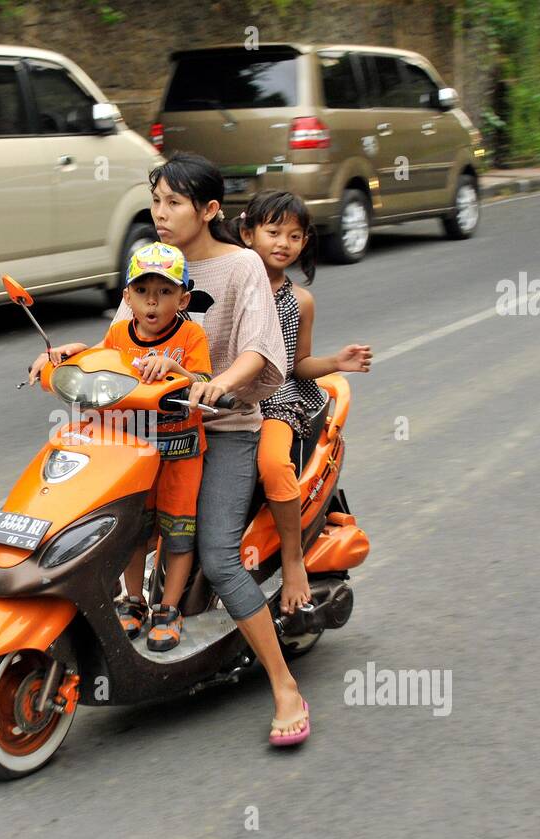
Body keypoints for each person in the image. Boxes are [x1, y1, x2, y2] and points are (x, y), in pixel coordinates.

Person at [32, 152, 309, 746]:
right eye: (155, 200)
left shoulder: (241, 269)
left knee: (218, 550)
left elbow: (264, 351)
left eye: (174, 203)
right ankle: (133, 616)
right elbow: (118, 338)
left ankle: (285, 686)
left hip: (226, 427)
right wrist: (69, 357)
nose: (160, 213)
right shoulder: (150, 265)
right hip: (150, 429)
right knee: (116, 523)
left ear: (209, 211)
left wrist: (220, 384)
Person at [32, 242, 211, 651]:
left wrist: (174, 367)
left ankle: (168, 608)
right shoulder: (117, 333)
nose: (153, 301)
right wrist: (65, 356)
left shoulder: (191, 335)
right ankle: (133, 600)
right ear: (126, 296)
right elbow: (100, 363)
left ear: (183, 298)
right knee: (133, 529)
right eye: (143, 290)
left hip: (180, 451)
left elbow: (204, 381)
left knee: (179, 530)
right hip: (130, 454)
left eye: (165, 292)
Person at [237, 190, 372, 615]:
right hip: (222, 396)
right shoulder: (228, 286)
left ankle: (293, 561)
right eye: (273, 232)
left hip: (276, 400)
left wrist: (336, 362)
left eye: (294, 236)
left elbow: (298, 365)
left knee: (275, 466)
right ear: (247, 234)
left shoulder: (300, 301)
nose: (283, 243)